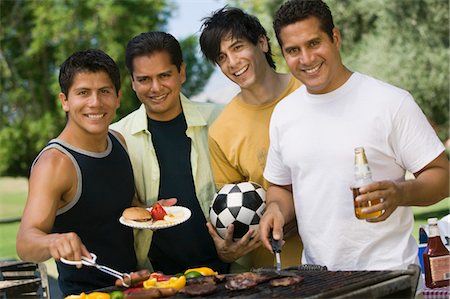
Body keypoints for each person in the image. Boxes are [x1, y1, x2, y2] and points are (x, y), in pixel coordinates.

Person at [260, 0, 449, 278]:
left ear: (335, 38)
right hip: (318, 278)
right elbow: (281, 188)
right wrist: (275, 209)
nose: (307, 59)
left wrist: (400, 194)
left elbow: (442, 178)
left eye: (314, 43)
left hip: (389, 275)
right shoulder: (283, 114)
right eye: (293, 50)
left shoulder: (391, 102)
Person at [16, 49, 137, 296]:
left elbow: (118, 208)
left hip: (132, 286)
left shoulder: (119, 141)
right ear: (65, 101)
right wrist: (53, 241)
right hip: (84, 294)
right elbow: (25, 242)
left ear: (118, 98)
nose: (95, 102)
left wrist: (153, 211)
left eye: (104, 91)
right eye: (83, 93)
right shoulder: (54, 163)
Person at [110, 31, 228, 275]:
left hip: (227, 269)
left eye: (164, 75)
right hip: (156, 278)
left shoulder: (220, 119)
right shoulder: (116, 137)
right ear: (132, 82)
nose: (155, 88)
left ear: (181, 73)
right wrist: (144, 210)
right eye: (144, 79)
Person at [199, 7, 303, 273]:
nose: (233, 62)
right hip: (277, 270)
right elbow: (234, 213)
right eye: (222, 57)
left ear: (262, 42)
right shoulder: (221, 131)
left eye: (237, 47)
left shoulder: (309, 91)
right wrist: (228, 248)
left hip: (342, 256)